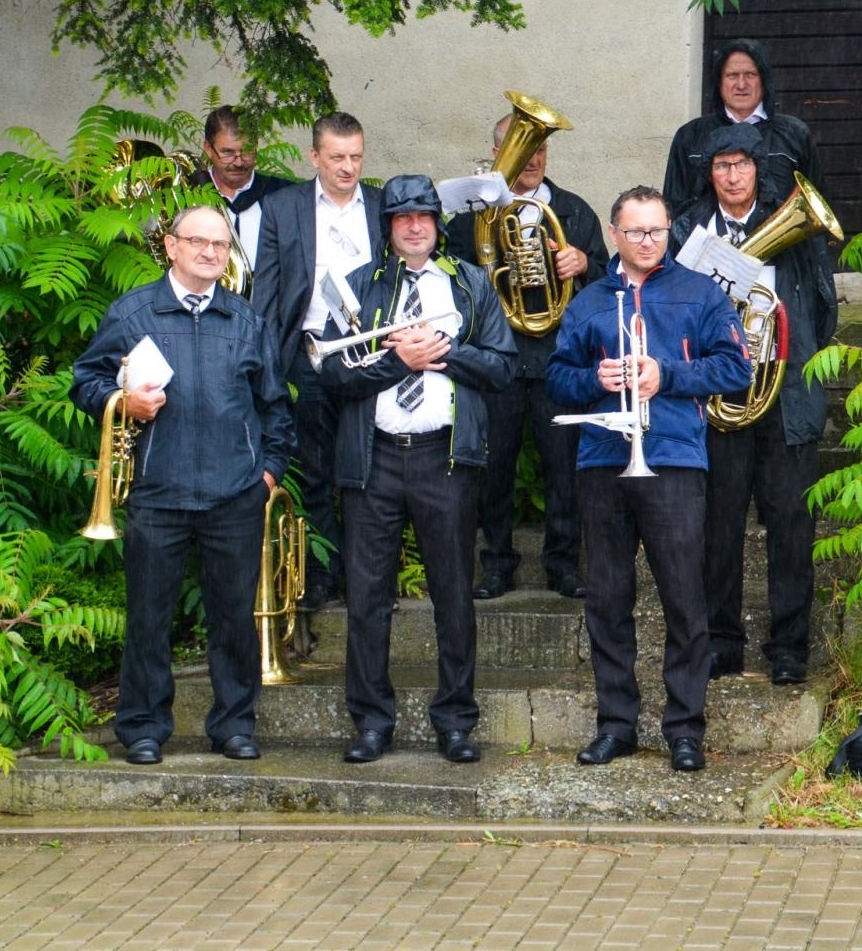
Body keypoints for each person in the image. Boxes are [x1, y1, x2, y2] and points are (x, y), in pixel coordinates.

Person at [71, 205, 295, 766]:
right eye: (198, 241)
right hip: (158, 492)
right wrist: (122, 401)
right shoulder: (133, 312)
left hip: (233, 495)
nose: (210, 253)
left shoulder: (247, 322)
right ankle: (144, 729)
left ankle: (235, 726)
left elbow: (276, 410)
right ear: (171, 247)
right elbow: (84, 381)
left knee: (233, 619)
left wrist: (265, 475)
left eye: (220, 246)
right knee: (149, 617)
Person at [546, 185, 750, 772]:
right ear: (614, 234)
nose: (647, 241)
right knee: (607, 600)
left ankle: (685, 729)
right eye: (635, 232)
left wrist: (669, 374)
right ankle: (617, 725)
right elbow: (557, 378)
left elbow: (736, 367)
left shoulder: (698, 291)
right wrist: (595, 379)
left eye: (657, 231)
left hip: (674, 460)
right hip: (604, 462)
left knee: (686, 600)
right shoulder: (588, 302)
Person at [321, 175, 515, 764]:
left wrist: (444, 352)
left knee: (453, 593)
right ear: (388, 228)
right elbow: (334, 376)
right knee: (367, 597)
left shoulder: (470, 285)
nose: (413, 226)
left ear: (437, 224)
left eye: (423, 217)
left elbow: (505, 368)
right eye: (402, 218)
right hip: (375, 457)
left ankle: (455, 721)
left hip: (443, 456)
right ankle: (372, 722)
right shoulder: (359, 286)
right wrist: (395, 363)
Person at [669, 126, 840, 686]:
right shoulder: (686, 230)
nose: (733, 175)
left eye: (742, 164)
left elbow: (821, 304)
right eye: (722, 166)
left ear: (758, 170)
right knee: (718, 523)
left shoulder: (791, 230)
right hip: (718, 396)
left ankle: (789, 647)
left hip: (783, 394)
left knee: (791, 521)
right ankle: (722, 642)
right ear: (709, 173)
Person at [444, 113, 609, 602]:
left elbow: (606, 282)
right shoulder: (472, 217)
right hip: (498, 358)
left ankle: (562, 564)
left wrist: (583, 264)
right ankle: (496, 564)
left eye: (540, 149)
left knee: (564, 468)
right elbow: (453, 279)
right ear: (499, 153)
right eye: (523, 147)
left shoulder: (575, 212)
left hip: (558, 357)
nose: (533, 159)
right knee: (495, 468)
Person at [252, 112, 385, 610]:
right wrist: (266, 365)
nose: (348, 168)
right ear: (314, 157)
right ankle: (324, 576)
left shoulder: (379, 205)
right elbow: (266, 294)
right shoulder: (281, 207)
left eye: (355, 157)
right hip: (307, 355)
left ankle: (368, 579)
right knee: (315, 471)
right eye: (337, 158)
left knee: (368, 470)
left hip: (369, 355)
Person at [662, 38, 823, 221]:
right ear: (719, 83)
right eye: (732, 75)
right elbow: (672, 209)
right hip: (707, 247)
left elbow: (816, 205)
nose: (741, 84)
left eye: (750, 75)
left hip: (783, 249)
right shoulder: (689, 136)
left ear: (764, 80)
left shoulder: (795, 134)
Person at [186, 105, 294, 273]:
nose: (238, 162)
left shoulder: (284, 195)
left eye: (247, 151)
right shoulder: (186, 194)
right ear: (208, 148)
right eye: (227, 153)